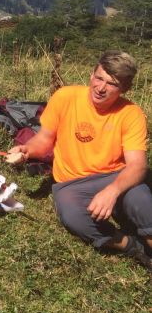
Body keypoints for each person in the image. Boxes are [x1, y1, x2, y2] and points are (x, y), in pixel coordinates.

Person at [8, 51, 152, 271]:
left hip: (114, 175)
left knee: (141, 201)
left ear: (125, 89)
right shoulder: (66, 96)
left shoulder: (131, 113)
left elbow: (138, 165)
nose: (101, 87)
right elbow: (45, 139)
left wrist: (111, 191)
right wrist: (27, 150)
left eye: (111, 84)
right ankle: (130, 245)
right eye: (99, 78)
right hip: (71, 181)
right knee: (73, 216)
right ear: (91, 74)